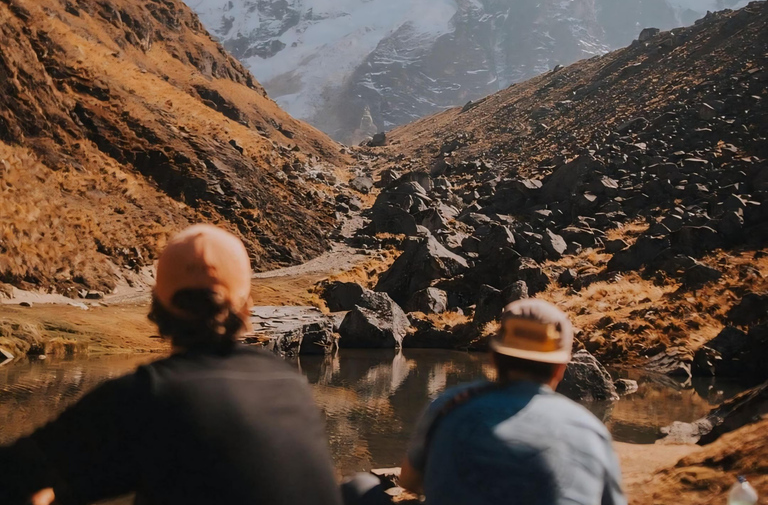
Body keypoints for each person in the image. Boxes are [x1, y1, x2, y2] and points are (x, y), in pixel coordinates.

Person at [0, 224, 343, 505]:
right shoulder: (289, 383)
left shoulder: (147, 395)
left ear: (156, 307)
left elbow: (14, 473)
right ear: (247, 306)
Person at [398, 298, 626, 505]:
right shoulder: (591, 429)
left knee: (363, 488)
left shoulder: (449, 404)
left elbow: (408, 481)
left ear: (494, 357)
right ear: (561, 368)